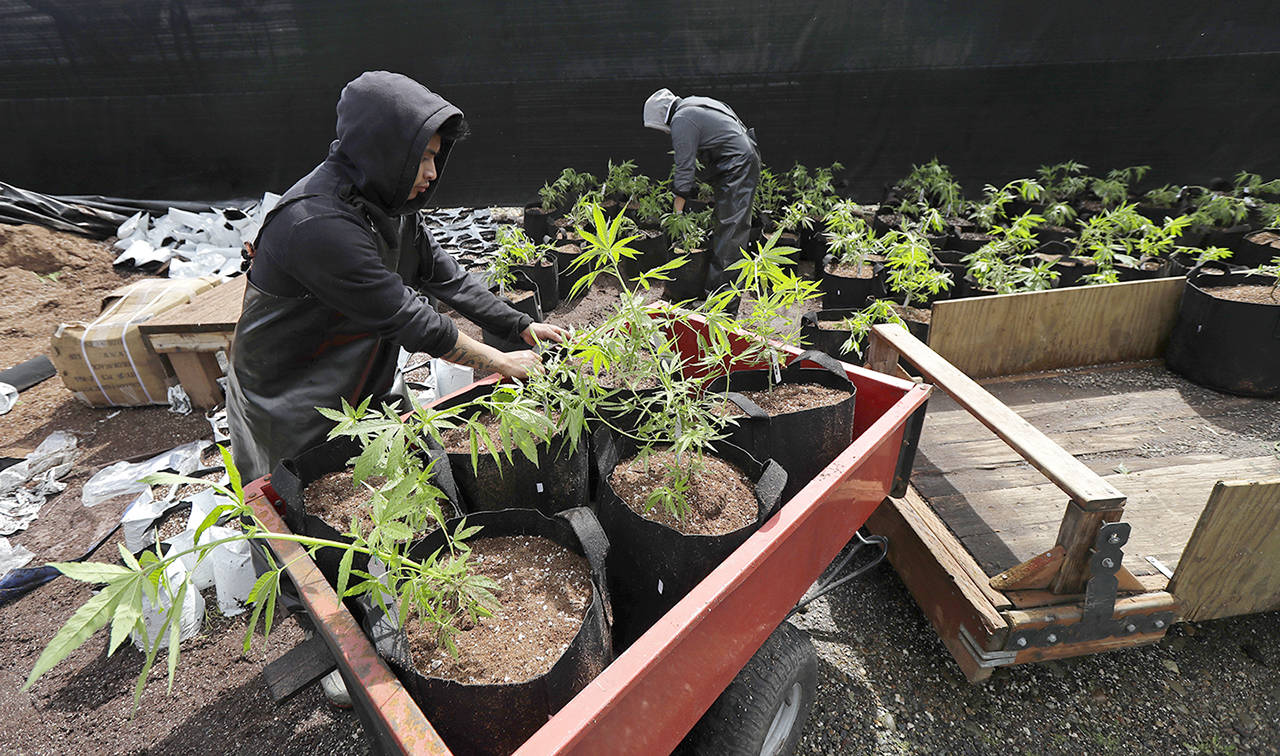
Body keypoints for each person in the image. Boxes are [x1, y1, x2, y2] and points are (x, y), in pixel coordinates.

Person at [226, 71, 565, 483]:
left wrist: (520, 324)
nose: (433, 172)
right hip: (292, 401)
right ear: (384, 151)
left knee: (399, 486)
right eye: (421, 158)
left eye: (435, 157)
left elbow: (443, 274)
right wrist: (501, 361)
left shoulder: (385, 198)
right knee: (307, 515)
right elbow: (408, 318)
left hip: (360, 376)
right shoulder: (314, 222)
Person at [643, 88, 761, 300]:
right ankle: (714, 295)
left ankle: (723, 308)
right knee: (726, 228)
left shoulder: (681, 119)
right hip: (741, 160)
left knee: (730, 237)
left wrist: (676, 215)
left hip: (737, 166)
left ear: (662, 117)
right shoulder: (693, 104)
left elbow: (684, 169)